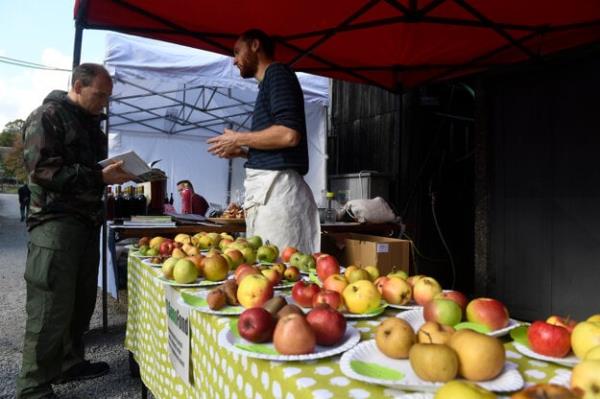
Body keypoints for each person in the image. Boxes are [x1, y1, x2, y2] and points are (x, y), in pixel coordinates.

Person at [16, 63, 135, 399]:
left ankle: (69, 363)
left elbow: (86, 169)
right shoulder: (48, 115)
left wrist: (110, 174)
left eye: (108, 97)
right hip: (55, 225)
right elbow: (41, 169)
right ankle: (33, 386)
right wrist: (98, 177)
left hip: (85, 224)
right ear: (78, 86)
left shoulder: (88, 124)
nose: (105, 103)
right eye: (100, 95)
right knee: (50, 305)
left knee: (79, 302)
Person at [207, 29, 320, 253]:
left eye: (237, 52)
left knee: (279, 271)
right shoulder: (269, 82)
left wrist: (238, 137)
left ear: (255, 45)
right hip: (272, 194)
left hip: (278, 194)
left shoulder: (277, 74)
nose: (234, 60)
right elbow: (281, 149)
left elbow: (289, 135)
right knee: (268, 272)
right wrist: (244, 152)